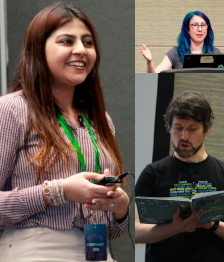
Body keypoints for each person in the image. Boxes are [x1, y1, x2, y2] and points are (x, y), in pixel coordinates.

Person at [0, 3, 129, 261]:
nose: (80, 50)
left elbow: (116, 230)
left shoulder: (100, 120)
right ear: (39, 49)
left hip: (98, 252)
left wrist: (120, 207)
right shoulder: (12, 109)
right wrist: (57, 191)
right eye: (67, 41)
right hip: (36, 251)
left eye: (88, 42)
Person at [134, 91, 224, 262]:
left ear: (207, 129)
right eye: (178, 128)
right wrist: (175, 227)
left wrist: (213, 224)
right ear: (169, 127)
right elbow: (136, 232)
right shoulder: (152, 173)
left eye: (192, 129)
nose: (184, 137)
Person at [139, 11, 222, 73]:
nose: (200, 29)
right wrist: (149, 62)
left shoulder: (216, 53)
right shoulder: (175, 53)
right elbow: (153, 78)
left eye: (203, 25)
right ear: (187, 29)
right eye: (195, 25)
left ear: (207, 29)